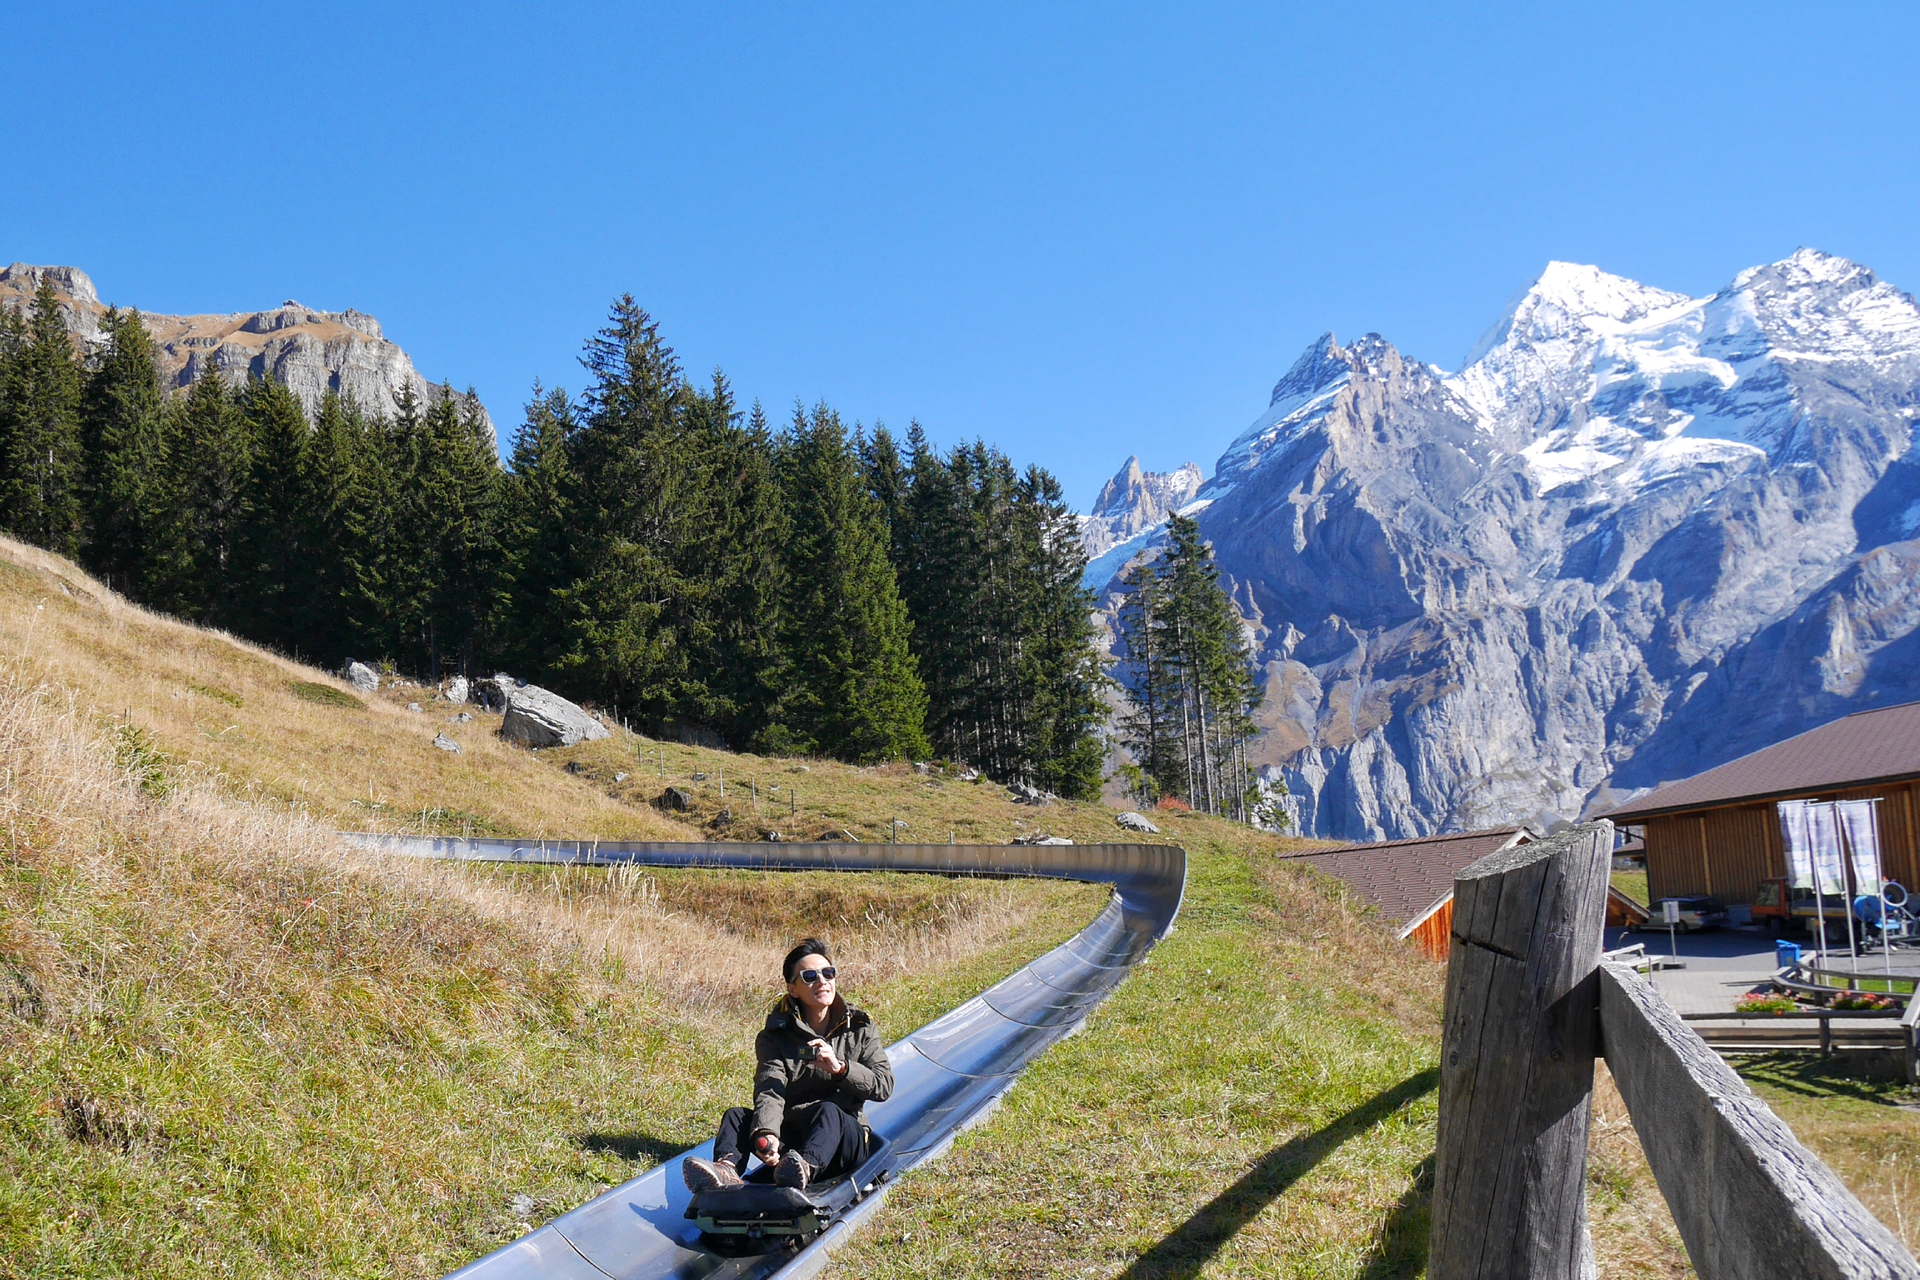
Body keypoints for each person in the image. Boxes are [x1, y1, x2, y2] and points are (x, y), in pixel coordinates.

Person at [683, 937, 893, 1193]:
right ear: (793, 989)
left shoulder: (859, 1027)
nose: (821, 981)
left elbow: (883, 1086)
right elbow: (770, 1089)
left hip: (844, 1138)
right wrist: (768, 1133)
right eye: (809, 976)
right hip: (794, 1136)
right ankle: (725, 1171)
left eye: (828, 973)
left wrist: (841, 1069)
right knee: (737, 1117)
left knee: (828, 1110)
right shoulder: (777, 1037)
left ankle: (805, 1168)